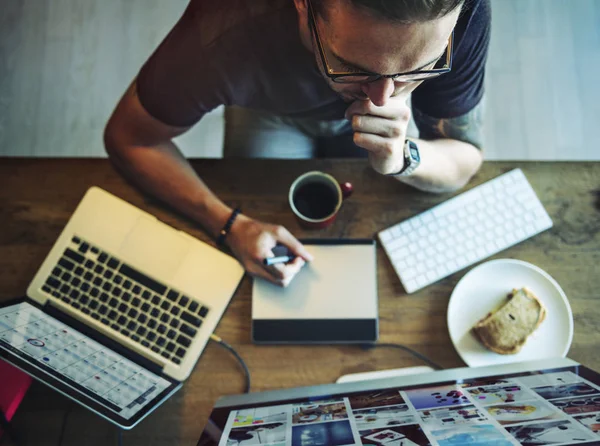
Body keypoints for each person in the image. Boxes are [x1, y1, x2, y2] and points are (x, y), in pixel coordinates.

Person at [104, 0, 490, 287]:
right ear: (303, 6)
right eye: (351, 67)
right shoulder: (221, 30)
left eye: (420, 69)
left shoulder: (462, 13)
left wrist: (405, 155)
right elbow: (129, 139)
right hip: (271, 113)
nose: (381, 101)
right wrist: (229, 225)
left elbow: (465, 157)